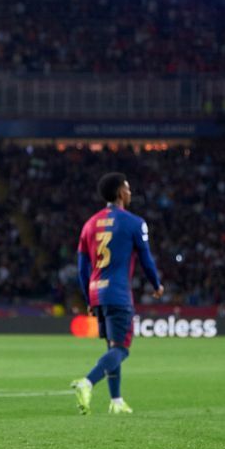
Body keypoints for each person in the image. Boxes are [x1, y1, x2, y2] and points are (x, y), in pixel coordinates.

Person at [70, 172, 163, 416]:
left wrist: (88, 296)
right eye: (128, 189)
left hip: (96, 293)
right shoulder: (134, 222)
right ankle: (87, 382)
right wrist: (156, 284)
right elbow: (145, 258)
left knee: (113, 347)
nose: (130, 193)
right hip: (119, 293)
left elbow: (82, 268)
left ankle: (117, 400)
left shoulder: (89, 224)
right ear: (121, 193)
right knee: (122, 349)